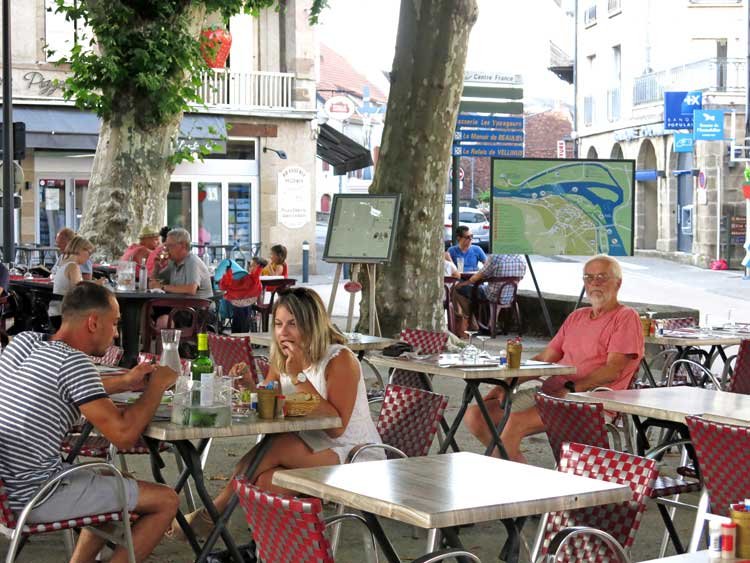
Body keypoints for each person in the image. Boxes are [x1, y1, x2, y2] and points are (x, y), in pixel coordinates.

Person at [170, 287, 383, 539]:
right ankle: (270, 550)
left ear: (312, 324)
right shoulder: (283, 356)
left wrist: (298, 376)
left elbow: (336, 426)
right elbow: (270, 399)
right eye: (279, 323)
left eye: (292, 324)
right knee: (266, 482)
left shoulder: (340, 360)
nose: (283, 332)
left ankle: (215, 512)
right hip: (310, 444)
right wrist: (250, 386)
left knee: (272, 448)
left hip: (352, 453)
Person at [0, 282, 179, 562]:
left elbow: (59, 385)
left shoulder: (24, 343)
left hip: (7, 489)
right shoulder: (74, 363)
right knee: (166, 500)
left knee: (111, 478)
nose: (117, 333)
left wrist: (125, 381)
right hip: (35, 496)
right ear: (94, 322)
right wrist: (156, 386)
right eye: (115, 323)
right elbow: (123, 435)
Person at [464, 255, 644, 463]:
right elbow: (545, 358)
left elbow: (612, 370)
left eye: (602, 277)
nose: (595, 282)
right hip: (550, 393)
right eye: (589, 277)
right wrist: (505, 384)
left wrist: (571, 389)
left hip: (589, 400)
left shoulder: (625, 317)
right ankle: (521, 473)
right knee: (476, 415)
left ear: (618, 283)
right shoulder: (577, 316)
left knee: (514, 423)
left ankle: (513, 486)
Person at [451, 254, 527, 337]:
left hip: (492, 294)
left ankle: (472, 321)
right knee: (478, 289)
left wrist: (466, 282)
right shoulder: (521, 259)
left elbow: (478, 277)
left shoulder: (495, 258)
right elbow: (521, 277)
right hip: (511, 295)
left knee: (459, 288)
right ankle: (482, 323)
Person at [149, 228, 213, 299]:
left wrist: (162, 287)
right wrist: (156, 267)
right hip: (180, 306)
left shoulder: (192, 261)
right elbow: (154, 283)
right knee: (147, 305)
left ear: (183, 246)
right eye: (166, 246)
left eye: (170, 246)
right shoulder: (173, 263)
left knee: (148, 307)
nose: (166, 249)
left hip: (198, 307)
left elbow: (191, 289)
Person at [48, 236, 96, 330]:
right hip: (65, 315)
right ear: (81, 250)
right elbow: (79, 291)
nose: (89, 257)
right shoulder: (73, 266)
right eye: (89, 253)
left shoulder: (63, 263)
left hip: (56, 312)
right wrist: (97, 284)